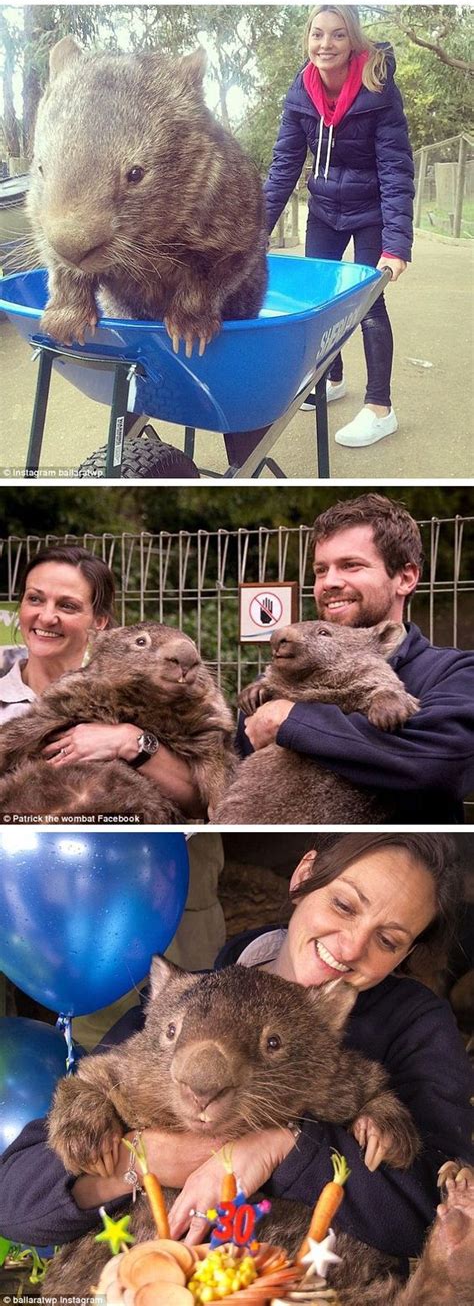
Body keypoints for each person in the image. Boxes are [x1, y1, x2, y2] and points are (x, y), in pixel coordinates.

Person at [0, 833, 472, 1285]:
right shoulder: (186, 1001)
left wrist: (277, 1149)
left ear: (408, 951)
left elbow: (440, 1206)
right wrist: (145, 1159)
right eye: (343, 905)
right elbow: (15, 1203)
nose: (350, 947)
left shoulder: (414, 1023)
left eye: (388, 940)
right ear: (303, 875)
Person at [239, 494, 474, 824]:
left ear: (406, 577)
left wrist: (290, 720)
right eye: (321, 570)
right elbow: (240, 762)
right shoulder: (292, 670)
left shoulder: (456, 673)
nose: (329, 582)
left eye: (351, 565)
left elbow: (440, 765)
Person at [264, 3, 415, 448]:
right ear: (307, 40)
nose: (325, 44)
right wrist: (253, 235)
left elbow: (395, 168)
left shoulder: (378, 88)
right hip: (325, 210)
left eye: (337, 35)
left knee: (368, 304)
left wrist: (397, 244)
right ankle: (331, 380)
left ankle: (380, 407)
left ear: (354, 41)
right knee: (320, 298)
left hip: (373, 212)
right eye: (317, 34)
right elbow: (283, 168)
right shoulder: (301, 92)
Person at [0, 546, 200, 812]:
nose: (47, 617)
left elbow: (202, 801)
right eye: (35, 599)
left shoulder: (143, 692)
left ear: (100, 623)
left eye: (67, 605)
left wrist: (129, 741)